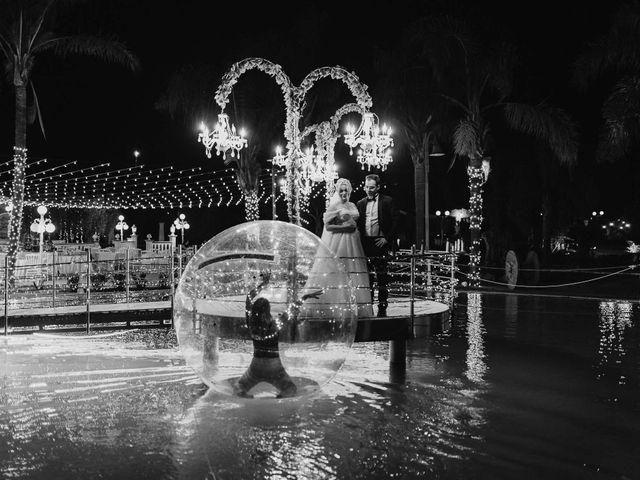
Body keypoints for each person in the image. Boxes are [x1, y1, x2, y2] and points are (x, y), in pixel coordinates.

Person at [234, 271, 322, 398]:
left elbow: (248, 298)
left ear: (254, 310)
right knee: (290, 389)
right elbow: (291, 310)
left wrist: (263, 284)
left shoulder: (251, 323)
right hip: (274, 366)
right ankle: (277, 401)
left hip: (256, 366)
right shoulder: (275, 325)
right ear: (268, 310)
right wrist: (305, 297)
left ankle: (246, 397)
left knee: (240, 387)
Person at [315, 178, 374, 318]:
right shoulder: (334, 206)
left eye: (346, 190)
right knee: (339, 272)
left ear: (350, 191)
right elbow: (328, 226)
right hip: (339, 242)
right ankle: (337, 306)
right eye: (341, 190)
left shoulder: (353, 205)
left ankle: (356, 307)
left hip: (354, 242)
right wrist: (345, 227)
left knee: (354, 272)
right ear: (337, 191)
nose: (343, 193)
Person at [356, 174, 398, 317]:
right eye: (367, 187)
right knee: (366, 276)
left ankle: (382, 304)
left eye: (372, 187)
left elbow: (396, 221)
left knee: (382, 275)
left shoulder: (387, 201)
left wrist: (386, 238)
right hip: (365, 243)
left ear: (378, 187)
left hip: (380, 242)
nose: (369, 189)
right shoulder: (360, 203)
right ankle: (368, 303)